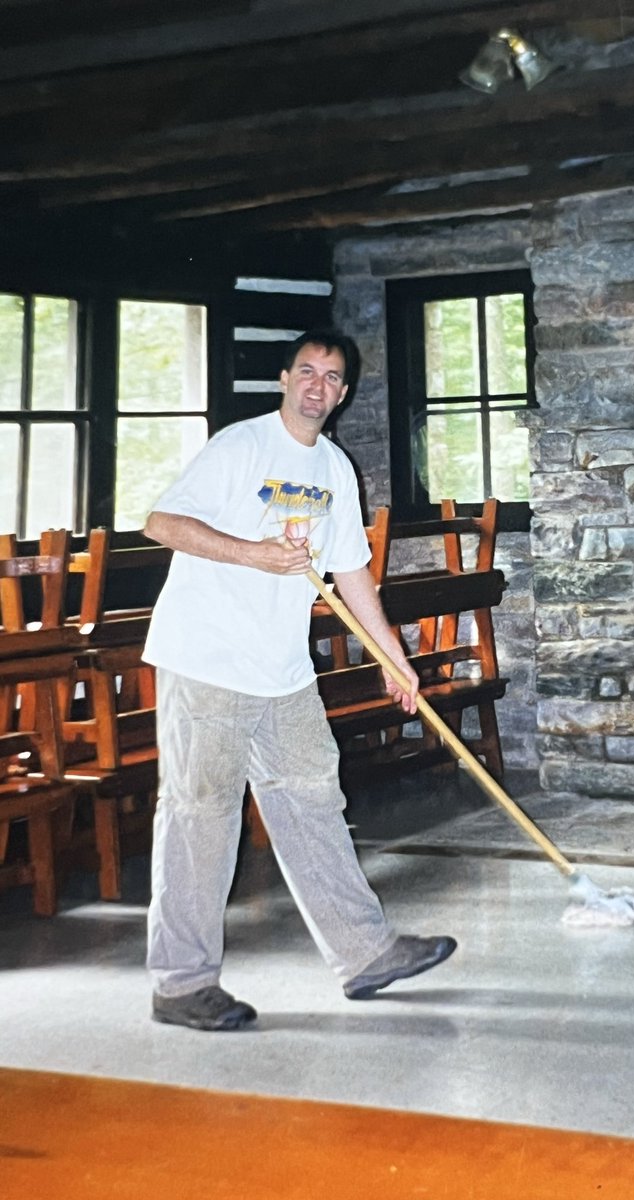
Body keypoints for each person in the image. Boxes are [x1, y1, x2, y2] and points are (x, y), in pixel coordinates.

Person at [141, 328, 456, 1031]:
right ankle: (181, 984)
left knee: (313, 802)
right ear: (285, 380)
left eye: (332, 377)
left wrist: (393, 658)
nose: (318, 385)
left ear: (342, 394)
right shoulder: (241, 446)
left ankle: (365, 953)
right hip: (208, 660)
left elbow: (352, 574)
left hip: (281, 670)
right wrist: (250, 553)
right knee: (201, 817)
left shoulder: (336, 469)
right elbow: (161, 522)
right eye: (307, 372)